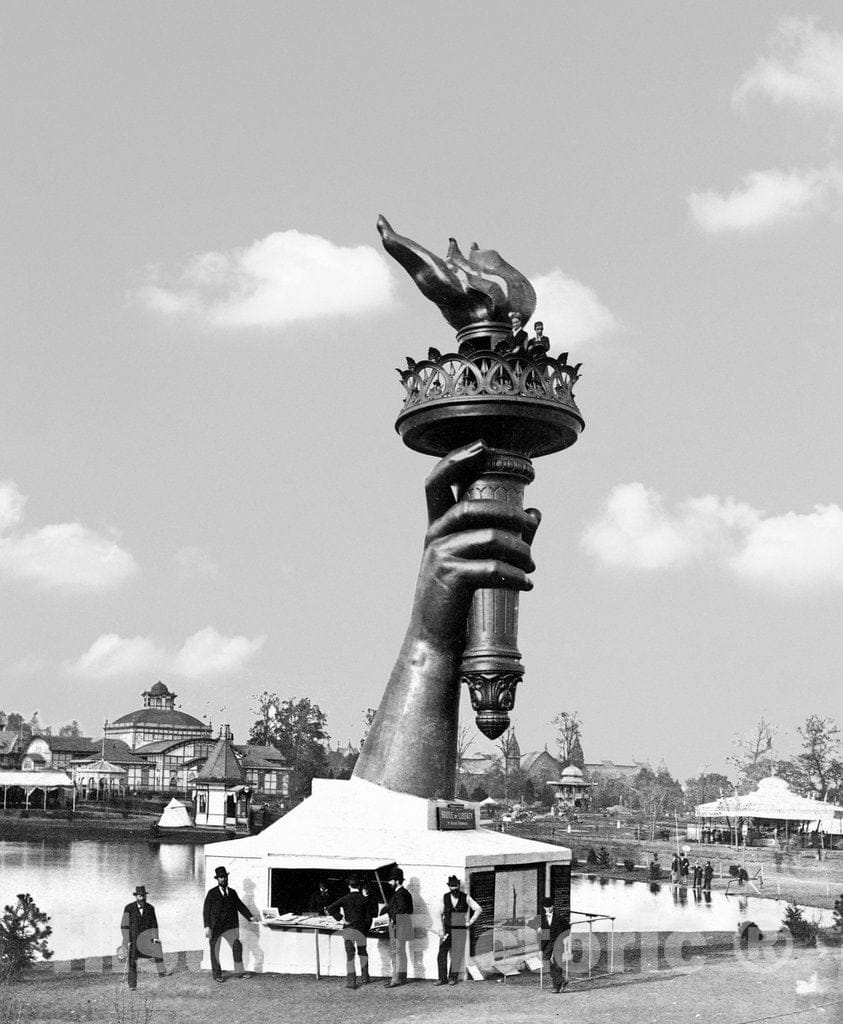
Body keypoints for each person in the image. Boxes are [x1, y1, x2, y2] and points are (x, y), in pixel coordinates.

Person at [203, 865, 256, 983]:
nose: (223, 879)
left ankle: (239, 973)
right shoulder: (212, 893)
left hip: (230, 927)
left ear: (227, 877)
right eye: (221, 877)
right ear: (217, 879)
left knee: (237, 946)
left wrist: (250, 917)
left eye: (224, 877)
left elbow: (240, 906)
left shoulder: (232, 893)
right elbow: (206, 910)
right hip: (215, 927)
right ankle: (217, 975)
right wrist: (207, 927)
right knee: (214, 950)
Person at [326, 876, 374, 989]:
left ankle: (351, 982)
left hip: (348, 930)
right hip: (361, 930)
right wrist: (365, 928)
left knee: (350, 956)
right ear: (359, 886)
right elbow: (369, 918)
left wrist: (341, 918)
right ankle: (365, 977)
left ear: (349, 886)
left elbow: (330, 908)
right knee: (363, 953)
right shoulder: (365, 899)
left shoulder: (345, 898)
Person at [120, 885, 171, 991]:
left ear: (145, 896)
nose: (142, 898)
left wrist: (155, 938)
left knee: (157, 946)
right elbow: (124, 926)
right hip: (133, 941)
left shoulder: (150, 908)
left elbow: (154, 925)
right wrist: (126, 940)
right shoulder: (128, 908)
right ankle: (132, 984)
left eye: (143, 896)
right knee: (132, 960)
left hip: (147, 941)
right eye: (140, 896)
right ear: (136, 896)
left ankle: (161, 971)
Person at [436, 876, 482, 986]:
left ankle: (453, 977)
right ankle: (442, 978)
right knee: (442, 953)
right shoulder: (445, 897)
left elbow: (478, 909)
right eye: (451, 886)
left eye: (455, 886)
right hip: (447, 929)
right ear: (449, 887)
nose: (453, 888)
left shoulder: (465, 897)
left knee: (457, 954)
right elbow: (439, 913)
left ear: (458, 886)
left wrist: (469, 922)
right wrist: (441, 929)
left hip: (460, 929)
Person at [529, 896, 569, 994]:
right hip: (547, 944)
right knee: (546, 961)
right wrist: (537, 928)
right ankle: (562, 980)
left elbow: (568, 927)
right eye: (547, 907)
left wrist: (562, 937)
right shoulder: (541, 918)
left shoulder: (559, 917)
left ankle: (556, 986)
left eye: (550, 906)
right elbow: (530, 923)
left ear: (553, 906)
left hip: (558, 943)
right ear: (544, 907)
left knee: (556, 963)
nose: (549, 909)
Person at [384, 866, 413, 988]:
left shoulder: (400, 894)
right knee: (401, 952)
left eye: (391, 880)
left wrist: (393, 919)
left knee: (396, 953)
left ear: (397, 880)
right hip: (403, 924)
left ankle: (395, 979)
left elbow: (400, 910)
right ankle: (401, 977)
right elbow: (410, 910)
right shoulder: (405, 893)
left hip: (398, 925)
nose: (389, 883)